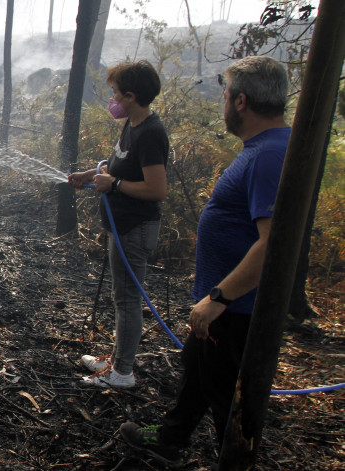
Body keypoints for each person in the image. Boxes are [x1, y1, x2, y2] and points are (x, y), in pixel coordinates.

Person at [118, 55, 291, 467]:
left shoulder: (268, 156)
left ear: (242, 101)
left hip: (235, 308)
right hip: (224, 304)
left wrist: (218, 298)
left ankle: (233, 462)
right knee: (196, 366)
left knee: (225, 397)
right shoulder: (265, 148)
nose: (224, 103)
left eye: (226, 95)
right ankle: (170, 435)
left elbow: (272, 246)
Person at [68, 60, 169, 389]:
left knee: (127, 300)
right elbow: (120, 166)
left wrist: (113, 186)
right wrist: (90, 175)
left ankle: (122, 373)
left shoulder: (151, 133)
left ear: (129, 96)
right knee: (121, 296)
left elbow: (157, 189)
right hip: (122, 226)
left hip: (135, 229)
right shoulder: (133, 125)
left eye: (114, 93)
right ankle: (117, 359)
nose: (111, 100)